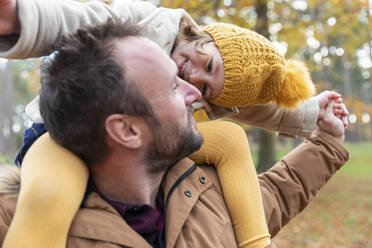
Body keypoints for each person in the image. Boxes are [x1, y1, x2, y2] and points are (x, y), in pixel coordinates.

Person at [0, 0, 348, 247]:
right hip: (53, 135)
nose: (192, 82)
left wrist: (314, 117)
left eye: (204, 88)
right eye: (207, 65)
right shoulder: (149, 24)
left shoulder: (211, 202)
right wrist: (21, 16)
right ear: (205, 36)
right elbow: (81, 20)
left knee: (229, 136)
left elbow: (260, 116)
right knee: (48, 194)